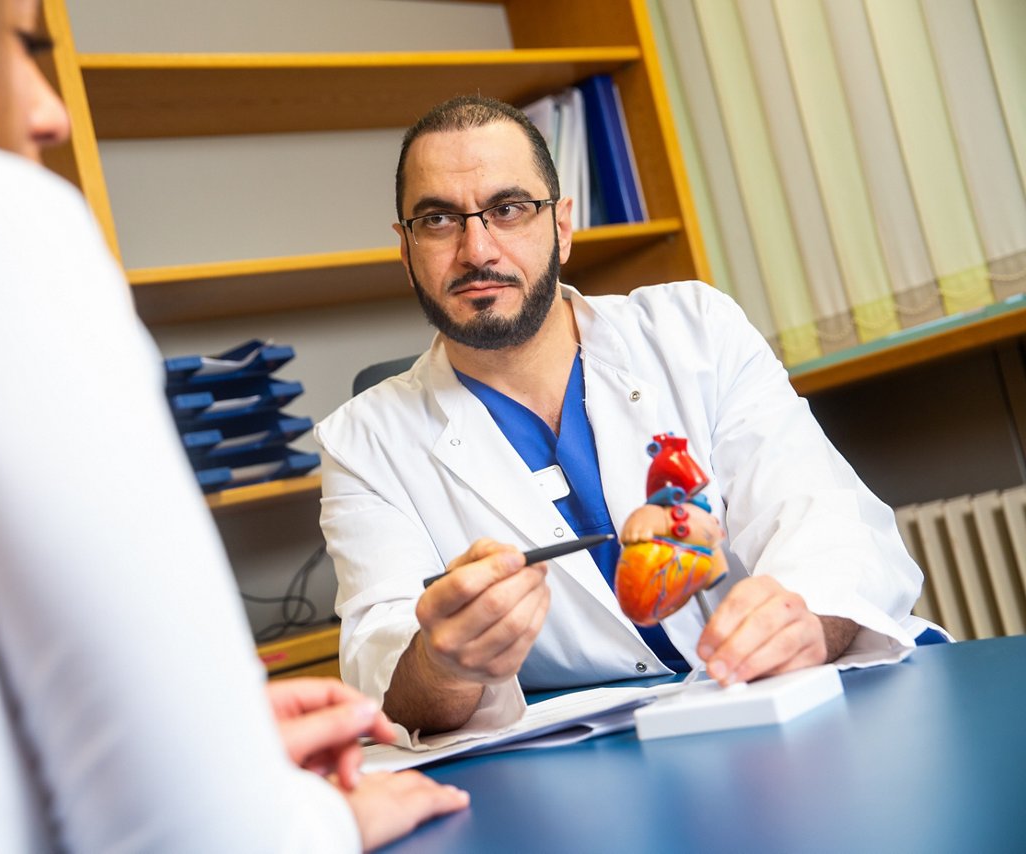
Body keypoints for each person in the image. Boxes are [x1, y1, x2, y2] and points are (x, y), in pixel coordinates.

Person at [0, 1, 467, 850]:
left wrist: (204, 747)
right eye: (18, 46)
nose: (48, 111)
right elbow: (195, 837)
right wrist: (302, 819)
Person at [315, 95, 940, 737]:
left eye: (508, 210)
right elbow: (382, 666)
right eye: (439, 219)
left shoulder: (696, 329)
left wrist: (805, 620)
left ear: (561, 225)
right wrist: (446, 663)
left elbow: (820, 513)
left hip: (783, 707)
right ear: (406, 248)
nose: (478, 249)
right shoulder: (361, 443)